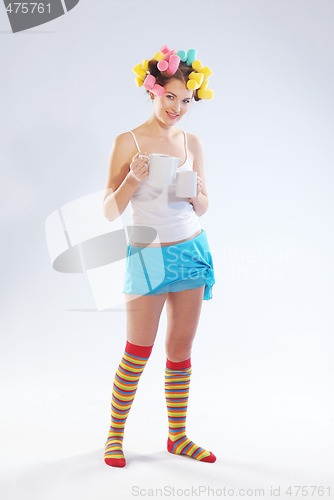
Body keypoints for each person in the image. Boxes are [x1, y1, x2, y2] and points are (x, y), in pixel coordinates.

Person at [102, 45, 216, 467]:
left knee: (180, 348)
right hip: (146, 253)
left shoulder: (192, 142)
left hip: (190, 250)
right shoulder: (127, 142)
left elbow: (204, 206)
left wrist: (197, 197)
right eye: (171, 96)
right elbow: (110, 210)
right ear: (153, 90)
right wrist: (132, 179)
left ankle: (178, 437)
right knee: (137, 350)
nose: (178, 107)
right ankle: (114, 437)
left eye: (186, 100)